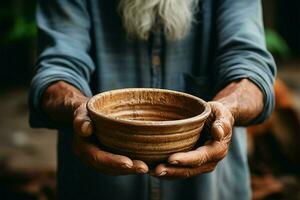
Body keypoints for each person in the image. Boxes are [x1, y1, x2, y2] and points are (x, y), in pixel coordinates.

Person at [29, 0, 276, 199]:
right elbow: (57, 71)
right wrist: (77, 108)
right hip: (97, 187)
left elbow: (251, 70)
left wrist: (227, 109)